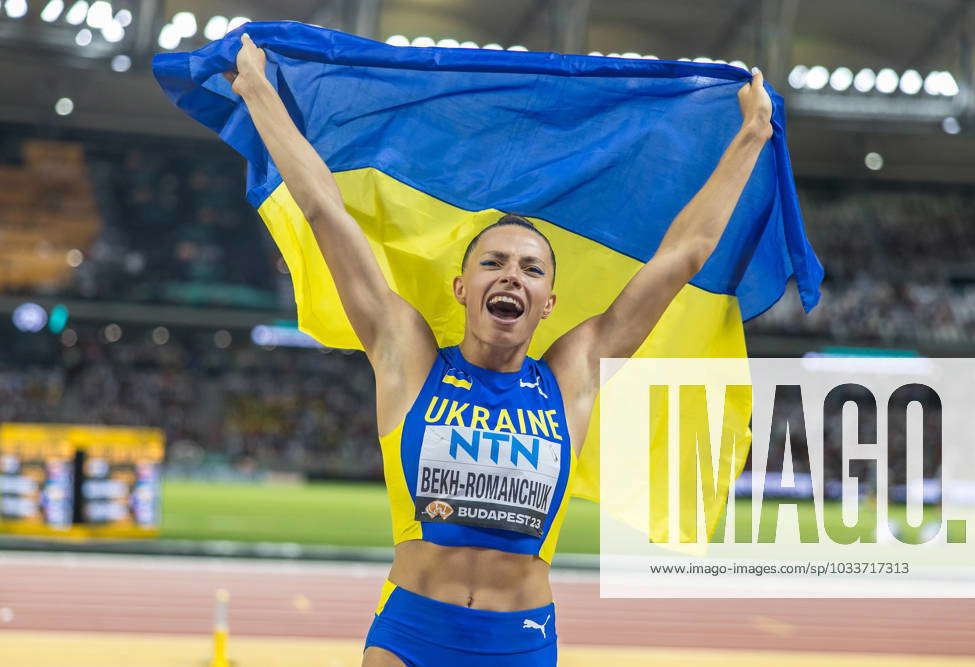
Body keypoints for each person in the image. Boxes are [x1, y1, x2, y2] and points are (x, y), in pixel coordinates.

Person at [225, 32, 773, 667]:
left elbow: (684, 255)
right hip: (410, 635)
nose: (513, 274)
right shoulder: (408, 355)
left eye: (532, 270)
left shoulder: (573, 375)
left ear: (548, 302)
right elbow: (326, 211)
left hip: (519, 644)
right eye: (495, 262)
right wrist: (260, 93)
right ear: (463, 287)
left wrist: (750, 137)